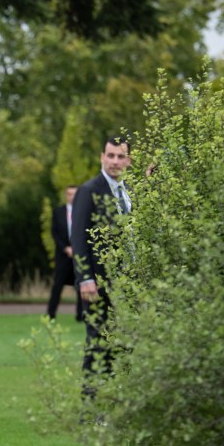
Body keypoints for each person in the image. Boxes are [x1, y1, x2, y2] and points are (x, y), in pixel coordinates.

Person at [71, 136, 131, 375]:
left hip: (125, 284)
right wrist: (85, 279)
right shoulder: (89, 191)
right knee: (97, 347)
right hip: (97, 285)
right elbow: (78, 238)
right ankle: (90, 409)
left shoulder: (129, 190)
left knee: (123, 346)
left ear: (128, 160)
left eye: (120, 156)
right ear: (102, 157)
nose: (114, 161)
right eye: (110, 155)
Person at [46, 185, 83, 322]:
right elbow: (54, 233)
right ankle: (50, 314)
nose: (72, 197)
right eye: (69, 194)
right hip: (63, 256)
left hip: (79, 255)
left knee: (81, 285)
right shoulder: (58, 212)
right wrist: (66, 248)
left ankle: (81, 315)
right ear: (66, 195)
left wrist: (77, 248)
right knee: (57, 285)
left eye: (74, 194)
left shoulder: (84, 212)